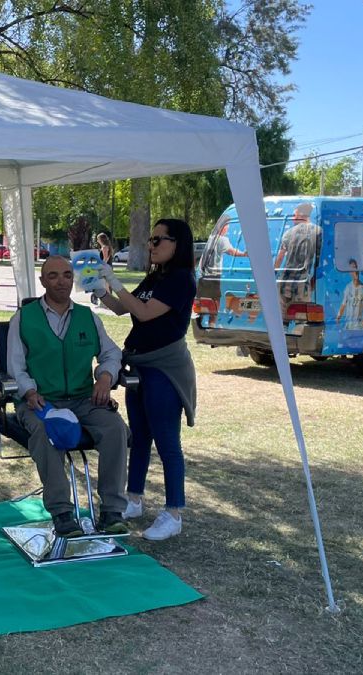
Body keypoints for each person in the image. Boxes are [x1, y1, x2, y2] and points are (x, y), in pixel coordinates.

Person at [7, 255, 130, 537]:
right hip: (41, 401)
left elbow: (111, 353)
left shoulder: (88, 316)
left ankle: (112, 511)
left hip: (83, 398)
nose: (61, 281)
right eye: (53, 276)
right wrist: (29, 391)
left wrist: (106, 377)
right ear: (42, 281)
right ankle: (62, 513)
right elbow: (16, 365)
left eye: (66, 274)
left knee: (114, 428)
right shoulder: (24, 318)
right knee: (45, 432)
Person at [96, 218, 197, 541]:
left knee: (168, 442)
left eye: (158, 240)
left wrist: (115, 280)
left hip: (164, 369)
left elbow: (144, 313)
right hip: (139, 366)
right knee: (139, 437)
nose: (151, 245)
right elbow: (120, 308)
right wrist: (100, 288)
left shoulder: (181, 279)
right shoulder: (157, 276)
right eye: (150, 239)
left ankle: (173, 512)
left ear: (177, 244)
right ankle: (135, 498)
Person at [273, 203, 321, 312]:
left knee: (282, 318)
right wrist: (314, 280)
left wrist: (273, 273)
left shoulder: (288, 233)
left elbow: (280, 257)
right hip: (302, 282)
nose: (293, 218)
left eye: (294, 215)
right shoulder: (318, 232)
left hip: (285, 281)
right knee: (300, 317)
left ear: (301, 215)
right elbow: (319, 259)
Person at [335, 259, 363, 330]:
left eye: (356, 267)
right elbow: (343, 304)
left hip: (359, 326)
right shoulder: (348, 288)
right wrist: (338, 317)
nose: (355, 271)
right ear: (350, 272)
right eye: (352, 269)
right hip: (348, 325)